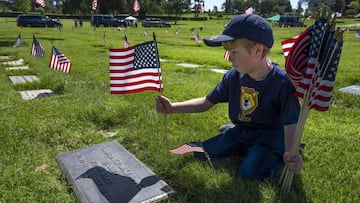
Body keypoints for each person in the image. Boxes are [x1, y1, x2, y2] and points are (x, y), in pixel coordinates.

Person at [156, 14, 303, 180]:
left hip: (268, 138)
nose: (229, 58)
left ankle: (271, 155)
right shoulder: (233, 77)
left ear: (258, 50)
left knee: (247, 174)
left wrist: (291, 153)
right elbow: (206, 102)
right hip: (242, 131)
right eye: (228, 52)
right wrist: (173, 107)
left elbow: (291, 123)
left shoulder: (282, 83)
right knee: (201, 152)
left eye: (234, 52)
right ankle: (233, 134)